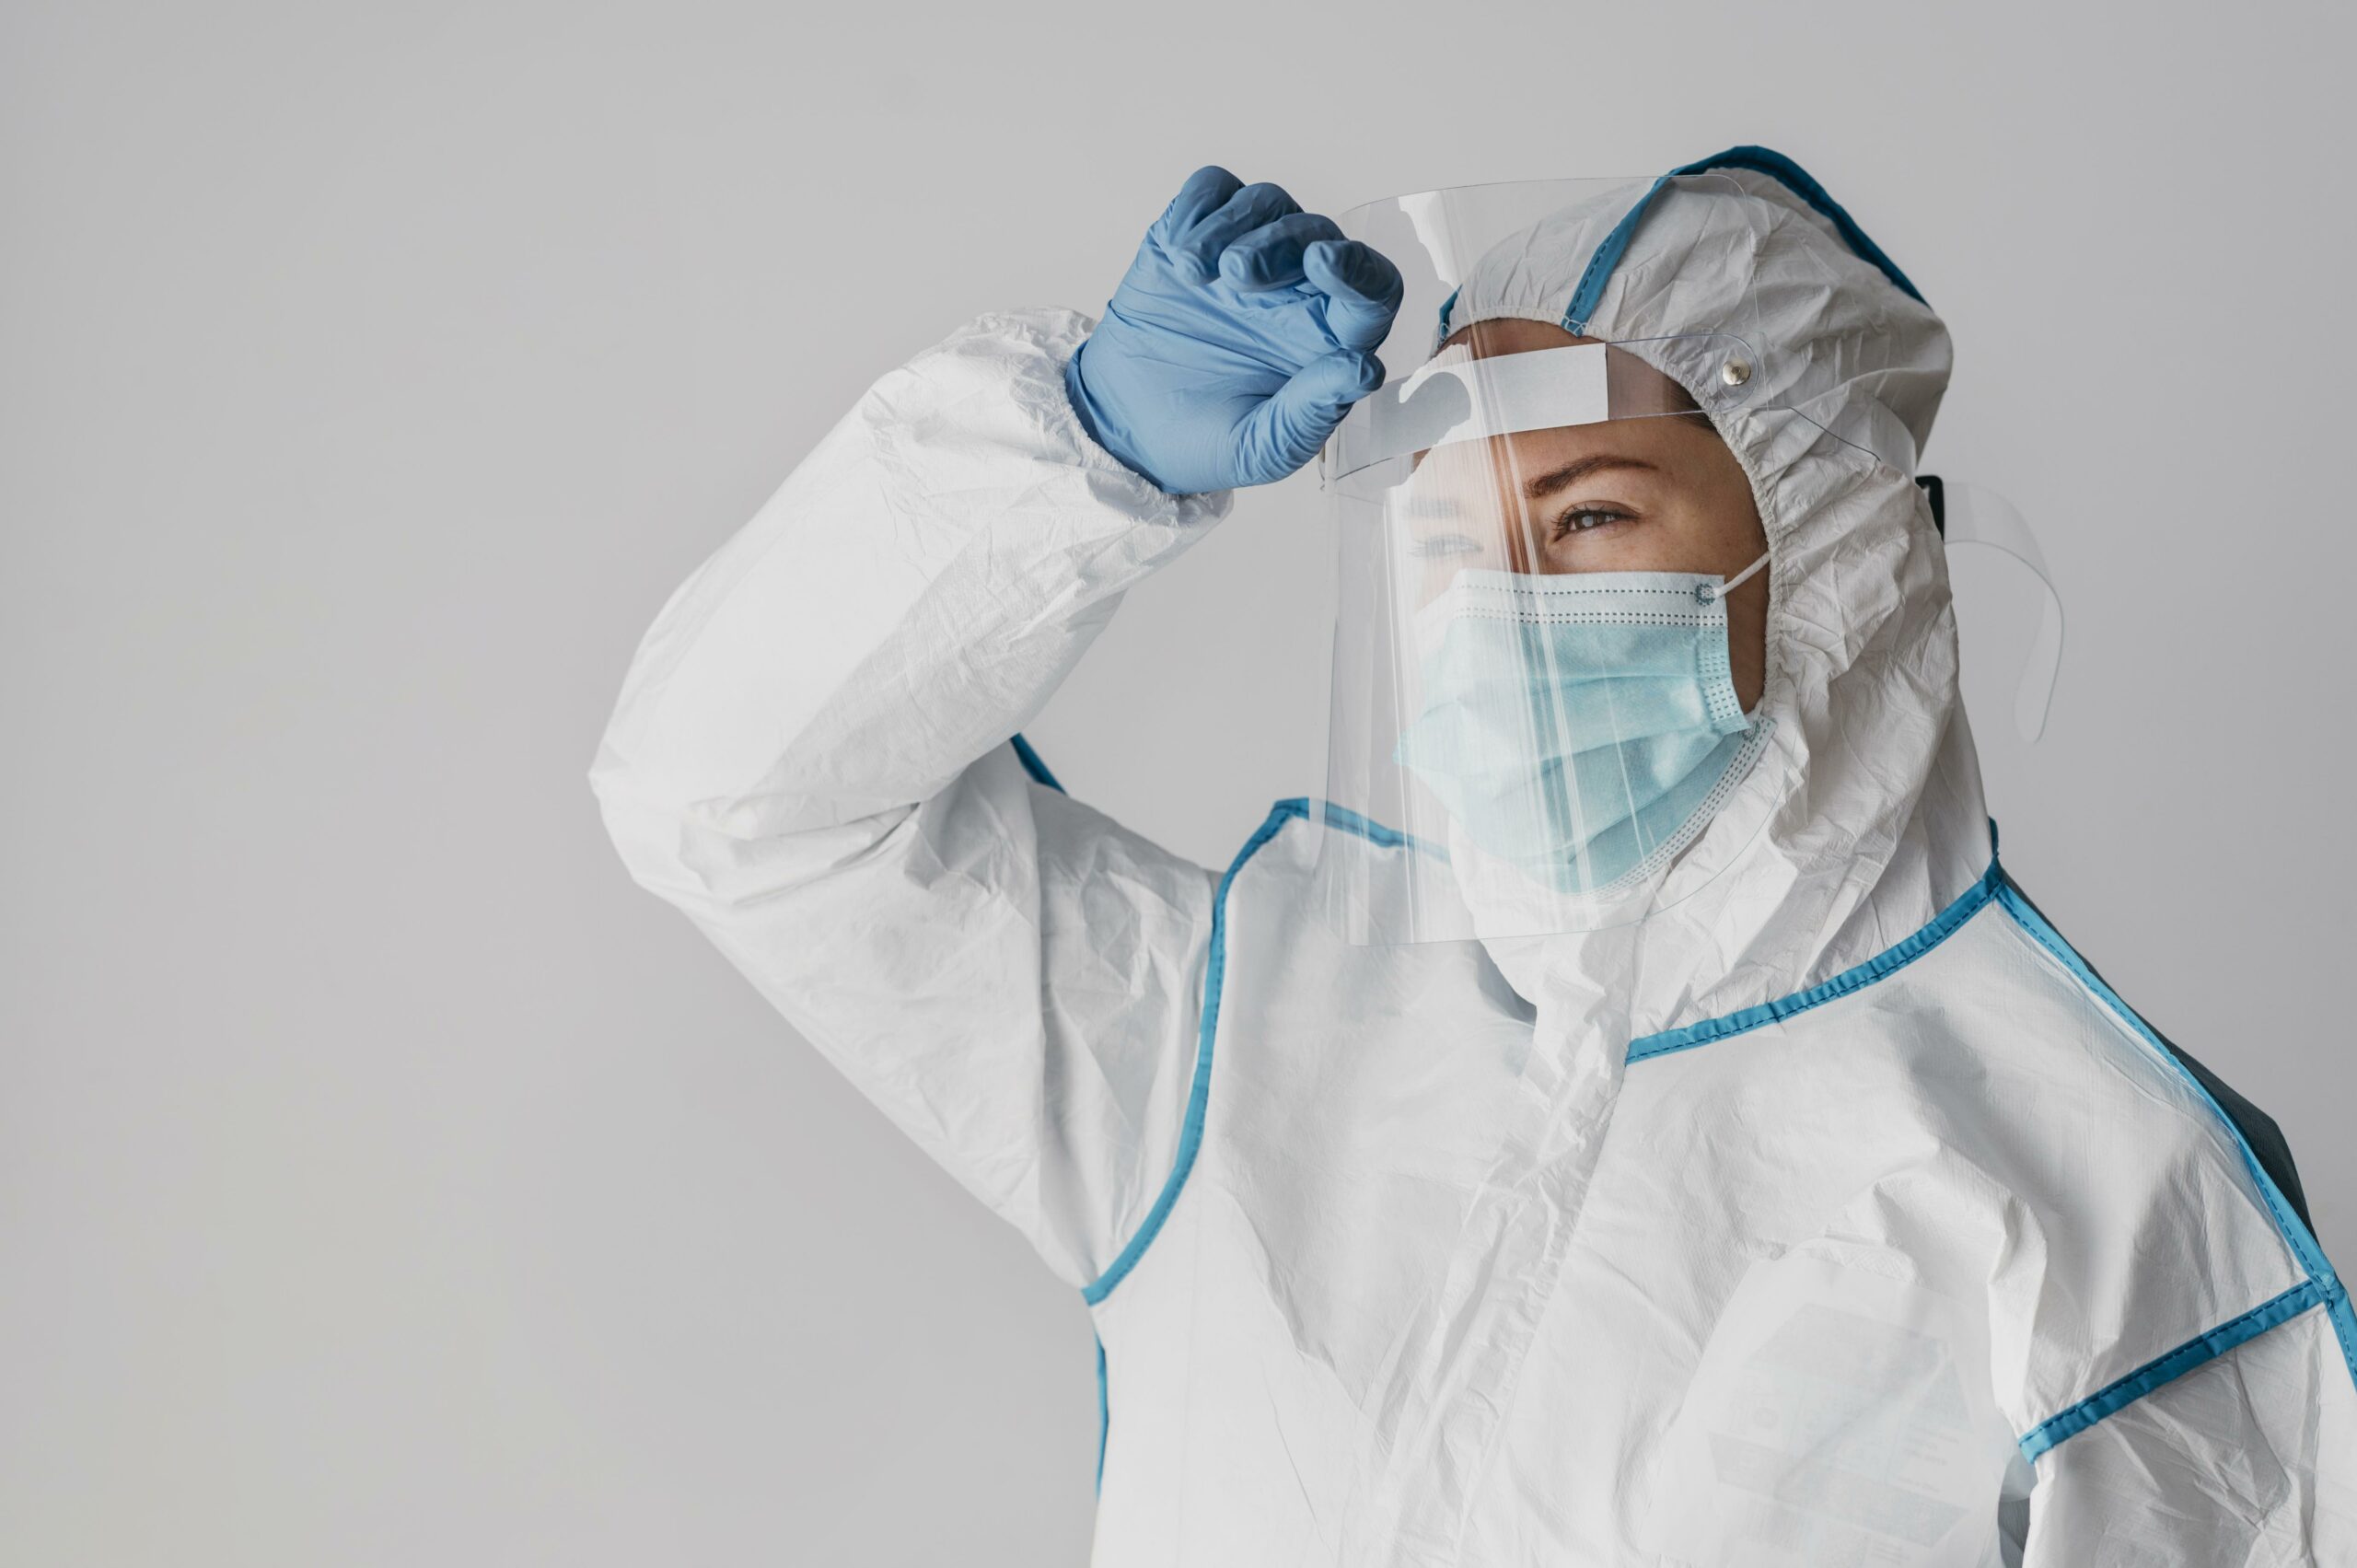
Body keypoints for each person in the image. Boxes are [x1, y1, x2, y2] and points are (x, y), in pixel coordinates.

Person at [589, 149, 2354, 1564]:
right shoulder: (1252, 1033)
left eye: (1589, 515)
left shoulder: (2099, 1195)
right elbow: (732, 804)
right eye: (1448, 537)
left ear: (1831, 548)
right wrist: (1081, 450)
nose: (1501, 610)